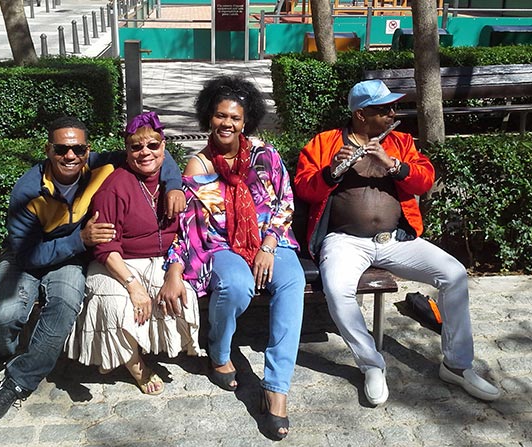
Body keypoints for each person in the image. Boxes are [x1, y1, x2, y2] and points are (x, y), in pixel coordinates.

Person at [0, 116, 185, 423]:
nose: (70, 156)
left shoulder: (97, 166)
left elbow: (154, 150)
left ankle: (19, 382)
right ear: (48, 150)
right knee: (7, 314)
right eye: (61, 149)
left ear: (87, 150)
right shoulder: (28, 191)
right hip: (28, 254)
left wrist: (174, 186)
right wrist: (79, 239)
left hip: (69, 256)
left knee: (65, 306)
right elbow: (27, 255)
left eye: (78, 149)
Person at [294, 79, 501, 406]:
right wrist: (332, 172)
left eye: (393, 108)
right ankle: (371, 364)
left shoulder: (401, 142)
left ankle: (457, 365)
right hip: (345, 241)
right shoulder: (325, 143)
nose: (393, 114)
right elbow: (304, 188)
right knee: (337, 291)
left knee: (455, 274)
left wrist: (394, 165)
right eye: (384, 109)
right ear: (361, 115)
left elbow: (425, 179)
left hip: (396, 239)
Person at [165, 75, 305, 440]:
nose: (227, 123)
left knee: (293, 281)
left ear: (246, 121)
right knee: (236, 285)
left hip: (270, 242)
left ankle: (276, 388)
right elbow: (191, 226)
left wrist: (269, 244)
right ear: (208, 117)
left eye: (235, 118)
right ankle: (219, 349)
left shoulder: (265, 156)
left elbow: (285, 202)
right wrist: (176, 266)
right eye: (220, 116)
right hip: (221, 246)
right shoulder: (198, 166)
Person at [65, 112, 203, 395]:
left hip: (162, 258)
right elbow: (104, 246)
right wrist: (133, 285)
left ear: (164, 147)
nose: (145, 153)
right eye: (136, 147)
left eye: (153, 146)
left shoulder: (173, 186)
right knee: (115, 305)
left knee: (182, 296)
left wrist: (174, 273)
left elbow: (185, 234)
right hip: (117, 261)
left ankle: (157, 346)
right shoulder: (114, 185)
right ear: (126, 151)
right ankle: (136, 365)